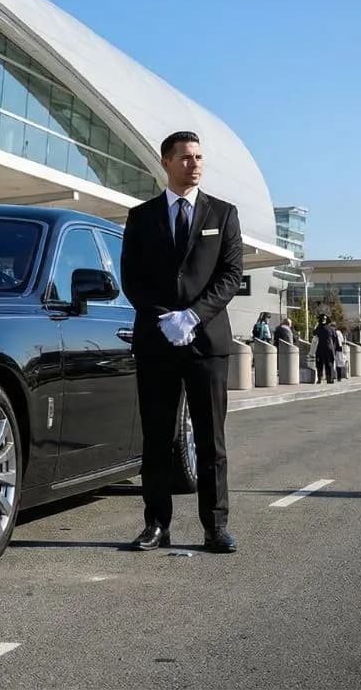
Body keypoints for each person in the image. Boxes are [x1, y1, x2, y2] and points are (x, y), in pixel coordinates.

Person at [121, 130, 244, 555]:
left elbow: (230, 276)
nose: (195, 164)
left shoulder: (223, 214)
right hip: (156, 344)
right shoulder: (141, 217)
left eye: (199, 157)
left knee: (211, 440)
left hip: (206, 344)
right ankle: (156, 524)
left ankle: (215, 527)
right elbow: (132, 280)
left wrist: (193, 316)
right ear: (166, 162)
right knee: (156, 439)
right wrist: (163, 319)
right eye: (186, 157)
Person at [313, 313, 339, 384]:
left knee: (319, 364)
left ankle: (319, 379)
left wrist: (316, 325)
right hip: (329, 349)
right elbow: (335, 340)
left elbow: (314, 333)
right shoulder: (332, 329)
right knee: (329, 364)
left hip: (320, 348)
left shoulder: (318, 328)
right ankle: (329, 379)